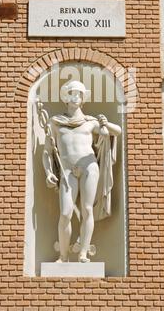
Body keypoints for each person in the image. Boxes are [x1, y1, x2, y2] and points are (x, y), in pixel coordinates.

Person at [42, 80, 121, 263]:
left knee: (87, 209)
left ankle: (83, 253)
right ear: (65, 97)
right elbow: (47, 151)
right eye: (72, 93)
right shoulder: (55, 122)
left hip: (88, 167)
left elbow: (117, 132)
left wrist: (106, 124)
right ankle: (63, 256)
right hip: (67, 170)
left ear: (83, 98)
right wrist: (48, 172)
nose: (76, 96)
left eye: (79, 93)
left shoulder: (90, 122)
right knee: (65, 213)